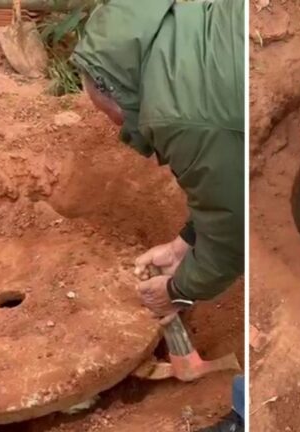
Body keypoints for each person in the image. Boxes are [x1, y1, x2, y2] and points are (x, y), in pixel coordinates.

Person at [72, 0, 244, 430]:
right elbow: (224, 184)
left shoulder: (179, 117)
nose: (115, 126)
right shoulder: (183, 36)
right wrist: (185, 242)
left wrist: (177, 289)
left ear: (119, 90)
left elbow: (234, 237)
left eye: (105, 113)